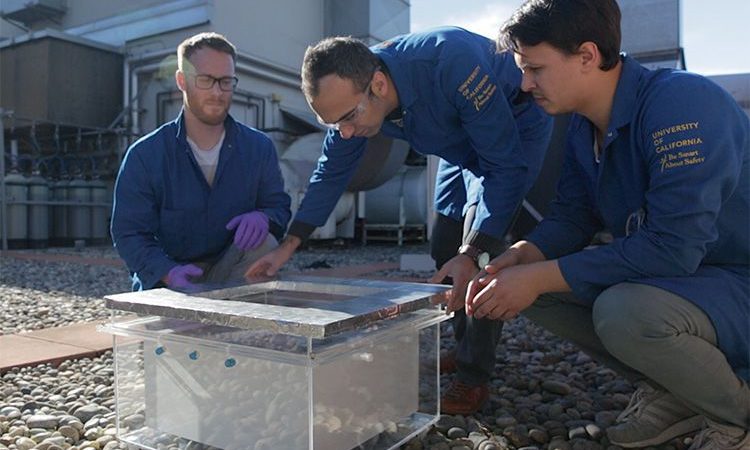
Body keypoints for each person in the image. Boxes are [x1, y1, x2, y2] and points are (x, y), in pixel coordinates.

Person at [467, 0, 749, 447]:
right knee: (529, 290)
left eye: (535, 68)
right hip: (690, 284)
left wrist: (539, 275)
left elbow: (673, 247)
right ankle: (679, 390)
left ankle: (736, 415)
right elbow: (573, 215)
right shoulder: (584, 126)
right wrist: (519, 259)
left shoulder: (681, 104)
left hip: (736, 280)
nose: (524, 84)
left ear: (586, 56)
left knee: (624, 312)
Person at [246, 27, 553, 414]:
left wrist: (474, 249)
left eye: (349, 118)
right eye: (334, 125)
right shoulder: (353, 92)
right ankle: (463, 347)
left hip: (509, 129)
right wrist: (286, 247)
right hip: (455, 149)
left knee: (481, 254)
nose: (348, 132)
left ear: (378, 84)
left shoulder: (452, 61)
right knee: (444, 246)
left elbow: (503, 166)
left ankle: (474, 376)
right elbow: (331, 170)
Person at [111, 32, 291, 292]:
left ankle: (243, 319)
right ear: (182, 81)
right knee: (172, 325)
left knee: (265, 243)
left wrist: (265, 217)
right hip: (169, 279)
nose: (217, 92)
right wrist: (167, 272)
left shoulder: (258, 148)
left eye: (226, 81)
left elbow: (279, 207)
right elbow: (128, 233)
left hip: (232, 271)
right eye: (206, 80)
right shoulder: (145, 155)